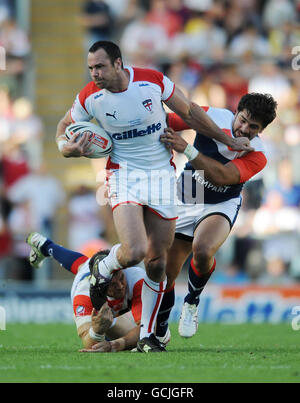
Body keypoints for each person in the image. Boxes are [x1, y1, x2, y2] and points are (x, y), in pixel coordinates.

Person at [55, 41, 253, 352]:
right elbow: (63, 128)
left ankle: (148, 337)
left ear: (118, 64)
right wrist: (67, 149)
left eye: (100, 67)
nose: (95, 73)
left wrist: (226, 138)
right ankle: (103, 267)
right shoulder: (89, 97)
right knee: (134, 251)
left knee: (157, 263)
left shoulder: (152, 81)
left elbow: (188, 112)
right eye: (91, 68)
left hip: (162, 176)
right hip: (124, 175)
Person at [158, 93, 277, 338]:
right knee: (165, 274)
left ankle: (191, 302)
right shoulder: (211, 115)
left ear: (261, 130)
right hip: (187, 194)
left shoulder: (259, 154)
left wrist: (187, 150)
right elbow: (169, 120)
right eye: (243, 120)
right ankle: (159, 328)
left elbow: (222, 177)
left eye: (253, 127)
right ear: (237, 112)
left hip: (221, 202)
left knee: (203, 249)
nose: (244, 129)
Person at [26, 232, 169, 351]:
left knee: (156, 334)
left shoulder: (136, 277)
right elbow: (88, 343)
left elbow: (147, 329)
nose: (120, 286)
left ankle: (45, 246)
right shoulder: (83, 293)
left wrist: (116, 345)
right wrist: (97, 330)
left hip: (92, 272)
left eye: (121, 278)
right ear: (99, 286)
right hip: (89, 284)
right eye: (112, 285)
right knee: (108, 325)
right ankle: (46, 246)